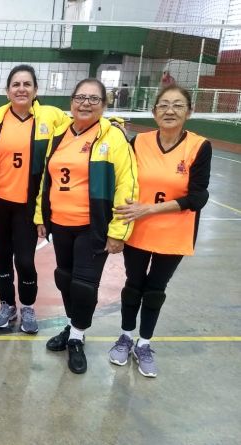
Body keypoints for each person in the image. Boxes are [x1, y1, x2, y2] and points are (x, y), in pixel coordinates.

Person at [34, 78, 138, 374]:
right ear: (71, 102)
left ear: (105, 106)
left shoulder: (113, 137)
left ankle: (77, 338)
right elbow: (47, 179)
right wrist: (41, 216)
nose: (86, 104)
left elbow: (127, 185)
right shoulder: (59, 134)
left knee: (83, 284)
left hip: (94, 226)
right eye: (81, 97)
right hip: (60, 224)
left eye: (94, 99)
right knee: (63, 278)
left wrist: (118, 231)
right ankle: (72, 325)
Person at [108, 86, 211, 378]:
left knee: (155, 291)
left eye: (178, 105)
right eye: (163, 105)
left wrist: (149, 209)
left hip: (174, 232)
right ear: (153, 112)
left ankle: (145, 344)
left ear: (189, 112)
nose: (170, 110)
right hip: (138, 230)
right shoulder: (138, 142)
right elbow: (121, 179)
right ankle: (126, 336)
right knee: (133, 284)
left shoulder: (199, 146)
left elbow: (198, 198)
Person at [0, 64, 70, 333]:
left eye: (27, 84)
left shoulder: (52, 116)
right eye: (16, 85)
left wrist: (110, 124)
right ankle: (6, 305)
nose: (21, 89)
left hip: (28, 207)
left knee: (24, 260)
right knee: (2, 257)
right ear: (7, 91)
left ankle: (28, 307)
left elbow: (83, 125)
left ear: (36, 90)